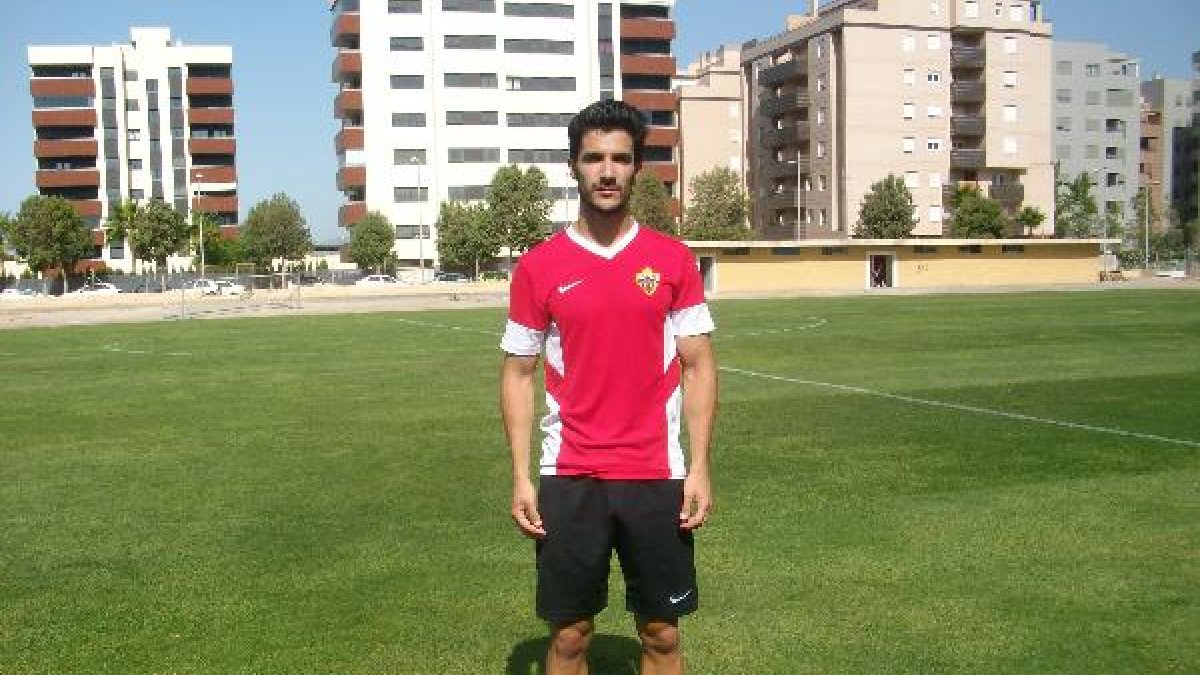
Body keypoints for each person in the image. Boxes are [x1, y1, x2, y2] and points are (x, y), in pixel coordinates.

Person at [500, 99, 718, 675]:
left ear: (637, 168)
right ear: (573, 165)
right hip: (570, 473)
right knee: (569, 637)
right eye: (593, 158)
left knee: (662, 635)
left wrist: (699, 466)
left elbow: (698, 366)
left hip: (656, 472)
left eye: (620, 159)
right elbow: (518, 373)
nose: (606, 171)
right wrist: (521, 475)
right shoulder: (539, 266)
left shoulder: (672, 260)